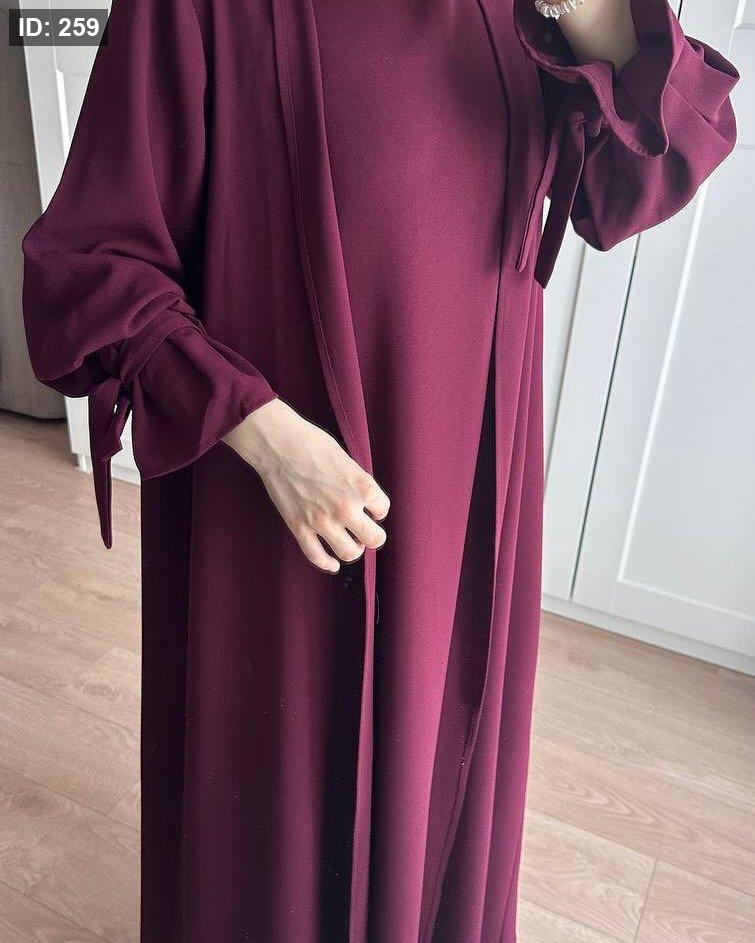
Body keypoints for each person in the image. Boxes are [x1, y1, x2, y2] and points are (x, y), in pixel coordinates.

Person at [21, 1, 738, 940]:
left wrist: (591, 15)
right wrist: (262, 433)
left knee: (438, 768)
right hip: (284, 494)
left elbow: (632, 183)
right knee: (280, 817)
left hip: (468, 489)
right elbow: (90, 264)